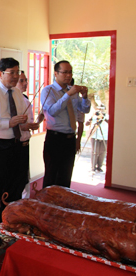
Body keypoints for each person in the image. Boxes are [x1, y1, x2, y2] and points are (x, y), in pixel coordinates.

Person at [0, 58, 37, 246]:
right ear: (0, 74)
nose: (15, 76)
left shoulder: (18, 93)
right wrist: (8, 122)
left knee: (15, 185)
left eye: (17, 72)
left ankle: (10, 220)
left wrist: (24, 122)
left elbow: (20, 119)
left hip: (16, 144)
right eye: (10, 72)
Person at [40, 60, 90, 188]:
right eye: (65, 72)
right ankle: (48, 207)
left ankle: (62, 206)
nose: (68, 75)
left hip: (70, 139)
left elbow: (85, 110)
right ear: (56, 73)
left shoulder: (72, 91)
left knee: (65, 177)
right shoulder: (48, 91)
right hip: (55, 138)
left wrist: (84, 97)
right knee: (52, 176)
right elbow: (52, 111)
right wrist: (68, 94)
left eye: (70, 72)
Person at [14, 70, 38, 199]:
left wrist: (32, 125)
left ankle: (25, 202)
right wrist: (23, 126)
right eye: (21, 81)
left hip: (25, 143)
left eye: (26, 80)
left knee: (25, 177)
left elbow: (30, 122)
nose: (25, 83)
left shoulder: (26, 100)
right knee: (15, 179)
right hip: (15, 144)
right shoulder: (11, 100)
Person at [87, 104, 108, 172]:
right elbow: (87, 123)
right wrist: (92, 117)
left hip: (104, 136)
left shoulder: (107, 116)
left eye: (101, 109)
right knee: (94, 151)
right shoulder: (94, 115)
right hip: (95, 135)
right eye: (99, 109)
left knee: (102, 152)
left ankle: (99, 166)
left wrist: (103, 118)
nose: (100, 110)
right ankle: (93, 166)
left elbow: (110, 122)